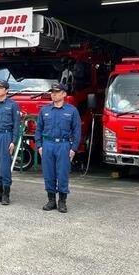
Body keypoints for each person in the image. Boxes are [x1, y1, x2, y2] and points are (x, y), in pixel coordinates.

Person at [34, 82, 81, 214]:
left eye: (56, 92)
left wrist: (73, 149)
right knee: (49, 173)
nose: (53, 94)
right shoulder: (45, 110)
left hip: (63, 145)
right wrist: (39, 145)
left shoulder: (71, 110)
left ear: (64, 94)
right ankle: (51, 200)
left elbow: (77, 131)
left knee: (62, 173)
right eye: (52, 92)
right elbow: (39, 129)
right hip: (47, 145)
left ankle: (62, 201)